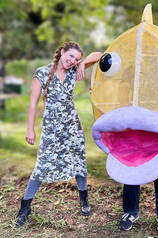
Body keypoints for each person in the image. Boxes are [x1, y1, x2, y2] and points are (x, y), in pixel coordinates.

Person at [16, 41, 102, 227]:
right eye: (70, 56)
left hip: (71, 125)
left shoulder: (73, 70)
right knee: (42, 165)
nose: (71, 61)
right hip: (51, 127)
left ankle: (84, 199)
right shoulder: (41, 73)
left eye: (76, 58)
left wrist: (82, 63)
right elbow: (32, 104)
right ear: (62, 51)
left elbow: (99, 55)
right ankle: (25, 207)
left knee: (78, 161)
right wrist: (30, 129)